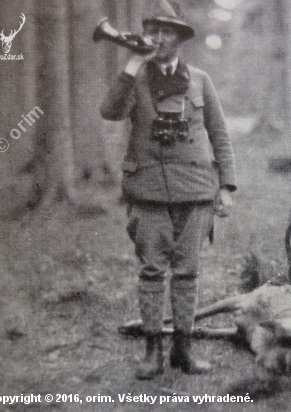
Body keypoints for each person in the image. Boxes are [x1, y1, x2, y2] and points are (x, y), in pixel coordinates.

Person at [100, 0, 236, 379]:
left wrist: (226, 186)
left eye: (168, 32)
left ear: (180, 39)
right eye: (154, 31)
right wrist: (131, 64)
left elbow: (219, 134)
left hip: (195, 192)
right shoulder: (136, 78)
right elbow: (109, 111)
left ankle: (183, 351)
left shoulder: (200, 81)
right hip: (149, 193)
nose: (159, 38)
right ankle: (152, 352)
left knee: (188, 273)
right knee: (151, 272)